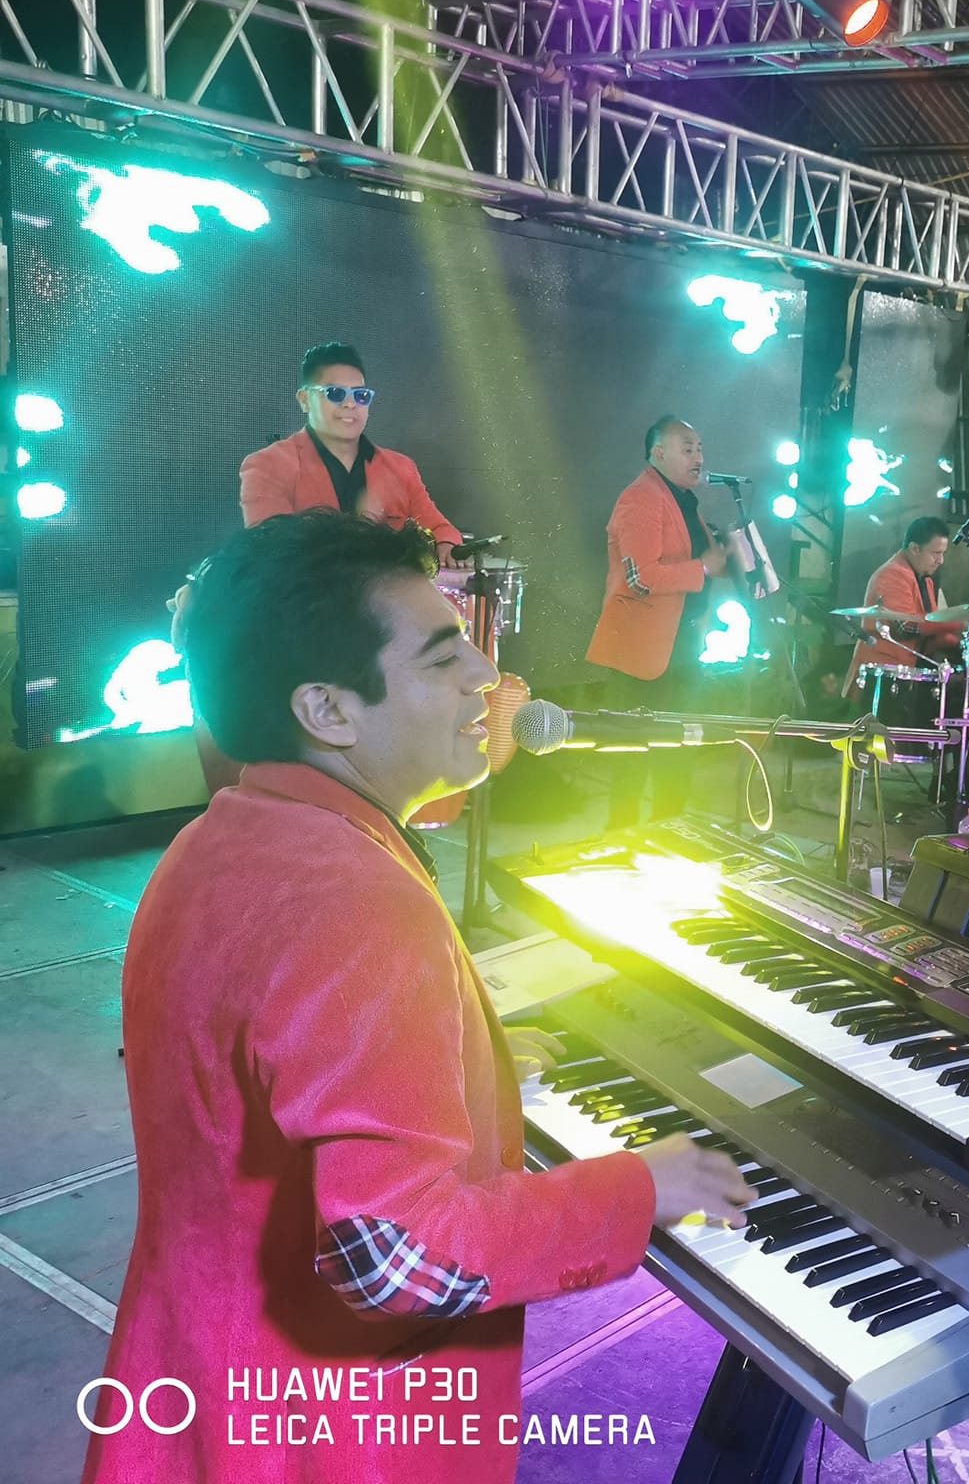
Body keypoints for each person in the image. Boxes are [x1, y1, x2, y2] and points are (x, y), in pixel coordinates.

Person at [85, 511, 754, 1484]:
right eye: (444, 658)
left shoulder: (221, 841)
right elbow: (398, 1259)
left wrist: (468, 1068)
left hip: (199, 1387)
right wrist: (642, 1186)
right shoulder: (354, 897)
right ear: (328, 710)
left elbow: (277, 1071)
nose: (487, 677)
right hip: (324, 1433)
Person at [586, 417, 731, 826]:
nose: (698, 457)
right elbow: (642, 578)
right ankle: (622, 841)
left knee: (678, 751)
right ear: (659, 453)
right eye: (688, 448)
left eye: (700, 447)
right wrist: (704, 568)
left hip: (680, 647)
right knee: (632, 756)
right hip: (643, 651)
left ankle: (668, 833)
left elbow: (703, 565)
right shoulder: (642, 498)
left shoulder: (684, 500)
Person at [240, 342, 463, 563]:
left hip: (392, 587)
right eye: (335, 393)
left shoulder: (401, 468)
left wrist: (447, 546)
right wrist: (363, 530)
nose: (350, 404)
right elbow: (271, 554)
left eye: (360, 395)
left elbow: (441, 529)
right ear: (304, 400)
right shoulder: (268, 465)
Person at [844, 516, 963, 697]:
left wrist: (956, 643)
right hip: (878, 678)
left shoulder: (925, 580)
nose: (941, 560)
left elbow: (927, 634)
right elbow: (906, 627)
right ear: (915, 548)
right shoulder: (893, 574)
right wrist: (957, 622)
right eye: (936, 553)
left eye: (943, 553)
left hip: (900, 675)